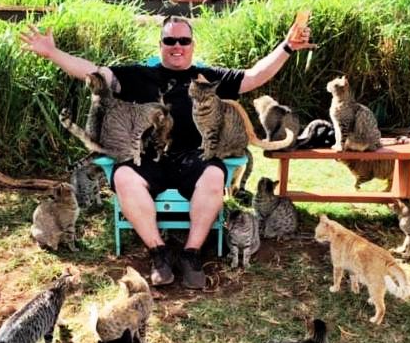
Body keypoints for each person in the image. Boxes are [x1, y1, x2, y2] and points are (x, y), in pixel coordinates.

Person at [20, 15, 314, 289]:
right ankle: (158, 253)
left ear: (192, 45)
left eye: (183, 41)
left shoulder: (207, 78)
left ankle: (191, 254)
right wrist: (53, 53)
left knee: (215, 176)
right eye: (170, 40)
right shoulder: (139, 75)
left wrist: (287, 47)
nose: (177, 46)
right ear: (160, 44)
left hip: (194, 157)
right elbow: (94, 73)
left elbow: (254, 76)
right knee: (123, 177)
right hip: (148, 157)